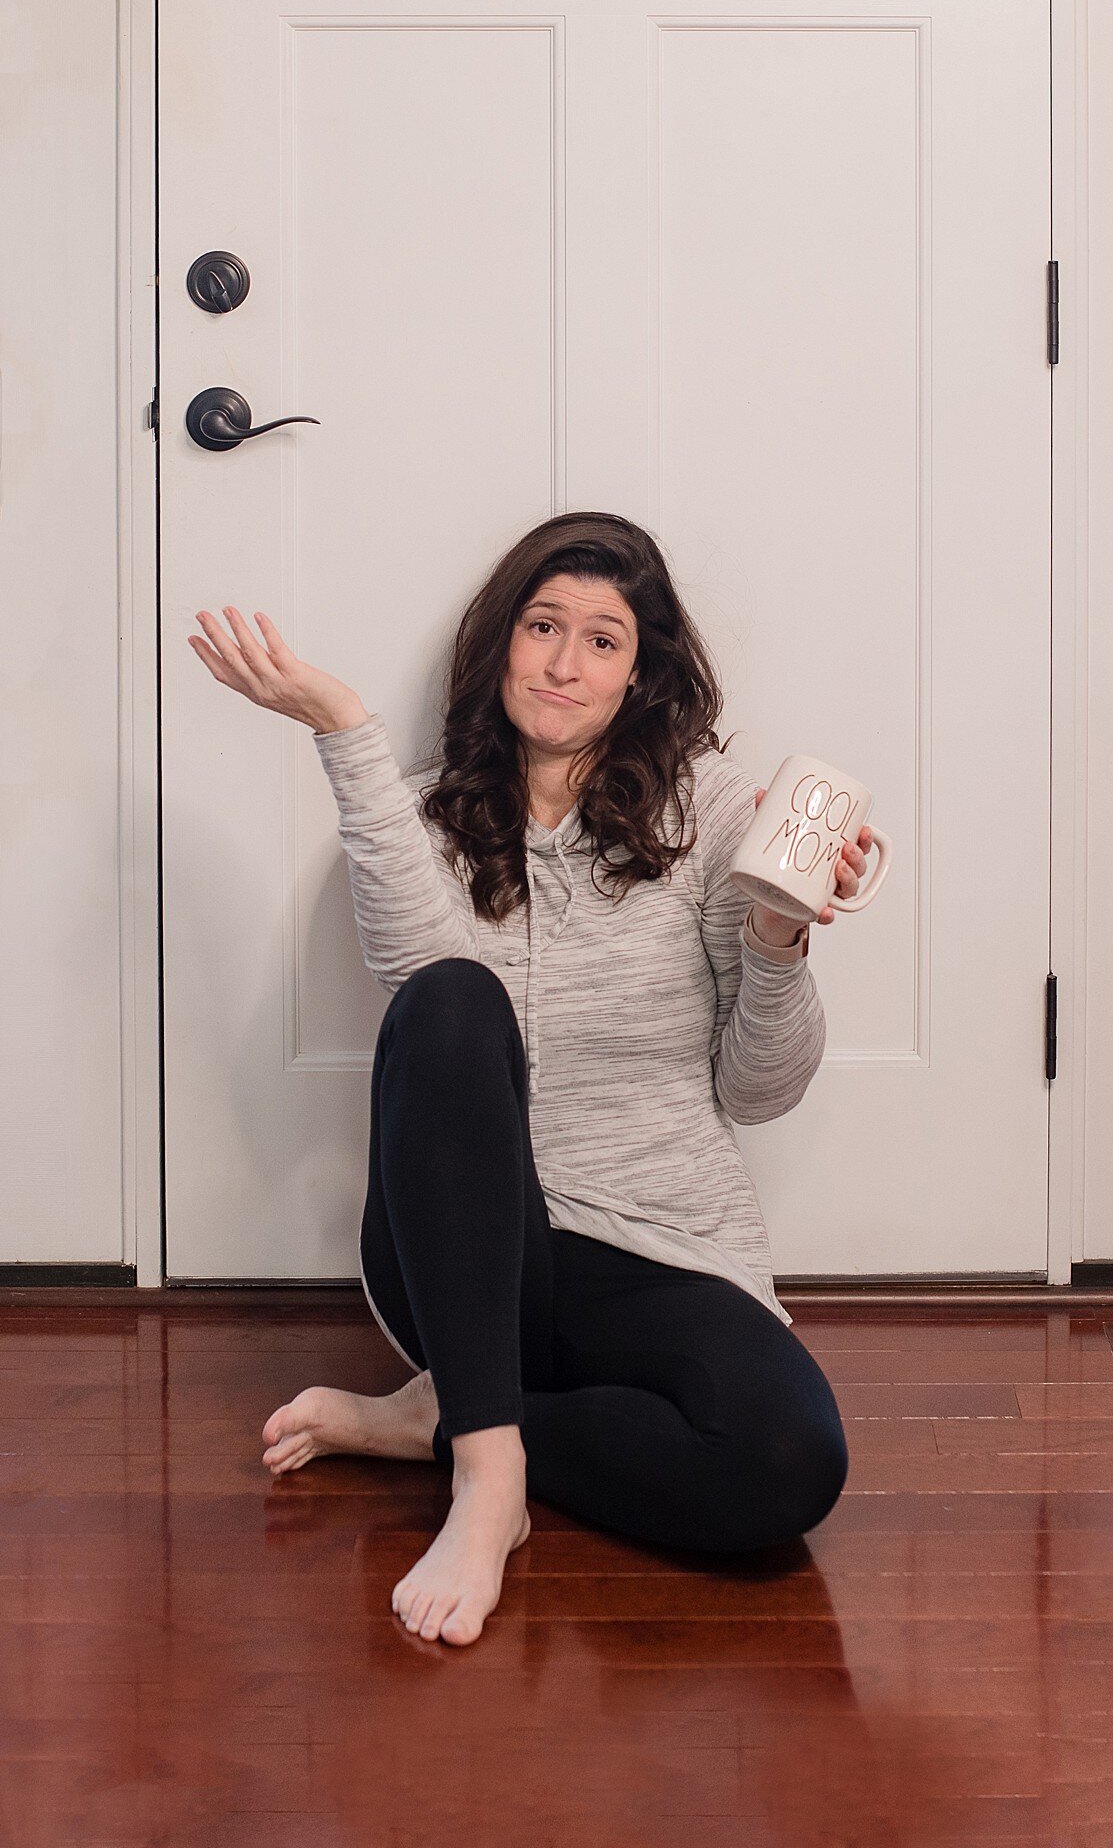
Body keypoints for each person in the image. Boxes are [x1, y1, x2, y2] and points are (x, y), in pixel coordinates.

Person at [188, 511, 861, 1648]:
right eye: (543, 625)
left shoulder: (711, 821)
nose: (563, 663)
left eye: (603, 640)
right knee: (452, 996)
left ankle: (447, 1419)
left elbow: (758, 1090)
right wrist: (343, 725)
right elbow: (418, 979)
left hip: (657, 1243)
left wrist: (779, 941)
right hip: (466, 1252)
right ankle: (490, 1478)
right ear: (501, 639)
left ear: (640, 672)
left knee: (789, 1462)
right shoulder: (427, 815)